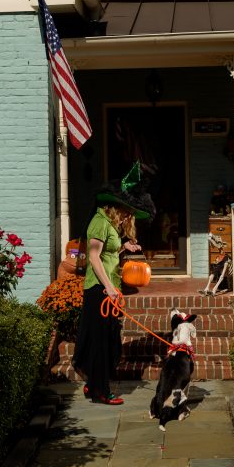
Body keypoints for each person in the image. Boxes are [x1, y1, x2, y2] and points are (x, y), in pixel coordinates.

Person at [73, 162, 155, 405]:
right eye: (127, 210)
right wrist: (108, 287)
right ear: (116, 207)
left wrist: (123, 247)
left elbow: (107, 252)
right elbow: (94, 256)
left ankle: (93, 385)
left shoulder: (110, 226)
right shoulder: (99, 221)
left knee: (108, 340)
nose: (129, 215)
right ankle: (100, 391)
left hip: (109, 287)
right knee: (102, 342)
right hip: (98, 289)